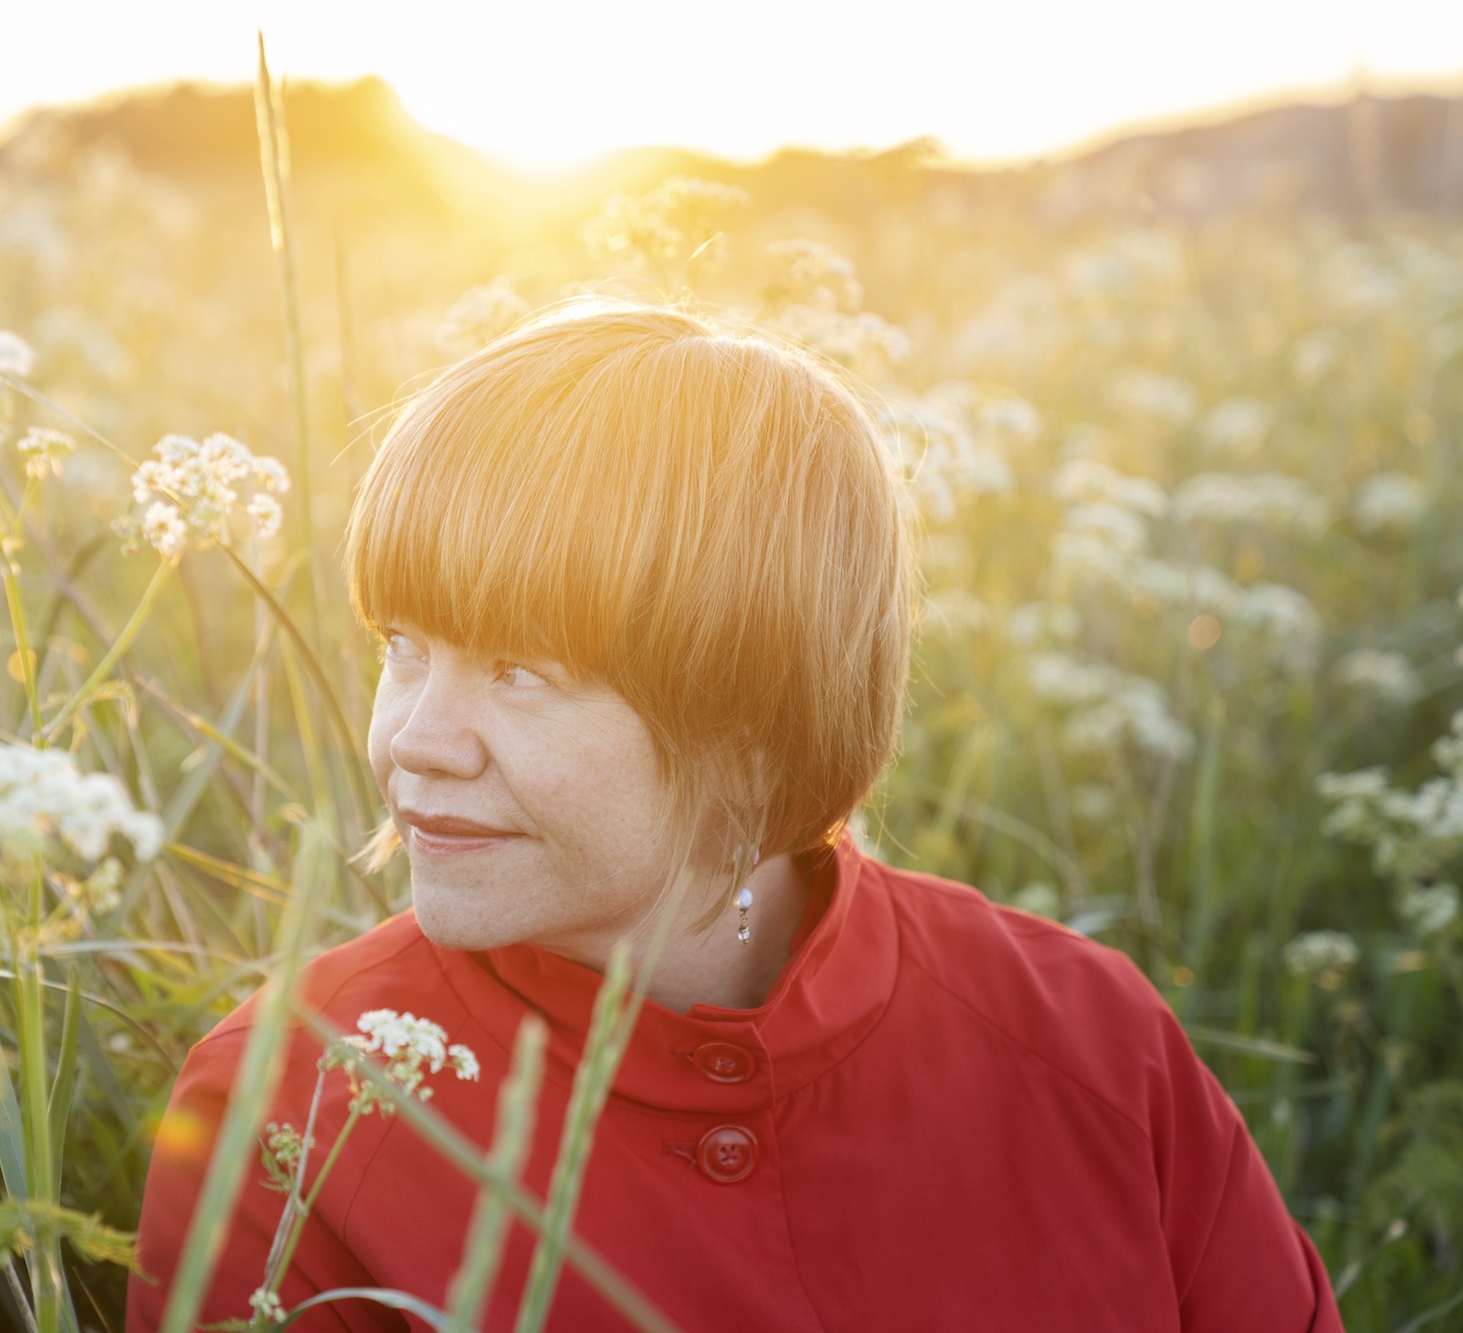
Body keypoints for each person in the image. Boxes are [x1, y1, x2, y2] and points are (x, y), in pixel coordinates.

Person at [128, 301, 1342, 1331]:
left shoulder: (1087, 1043)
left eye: (521, 672)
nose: (412, 742)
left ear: (752, 723)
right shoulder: (287, 1111)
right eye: (404, 647)